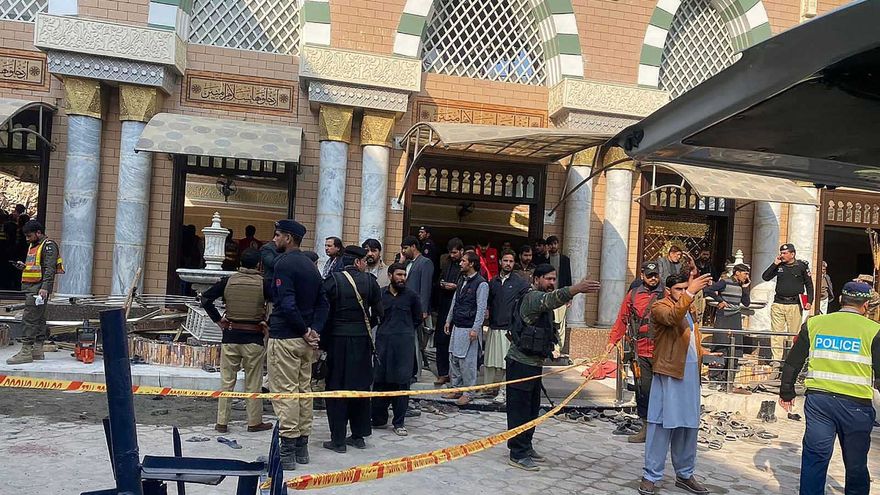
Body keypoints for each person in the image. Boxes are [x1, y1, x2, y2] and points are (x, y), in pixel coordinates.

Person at [779, 281, 880, 495]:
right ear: (866, 305)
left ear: (841, 300)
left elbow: (793, 362)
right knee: (856, 464)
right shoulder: (874, 330)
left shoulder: (815, 324)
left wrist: (786, 392)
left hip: (819, 403)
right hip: (856, 407)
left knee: (815, 458)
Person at [506, 265, 600, 471]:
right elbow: (552, 299)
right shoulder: (533, 297)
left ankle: (526, 445)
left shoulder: (541, 300)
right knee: (519, 410)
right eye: (548, 279)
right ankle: (517, 453)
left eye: (553, 279)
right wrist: (577, 288)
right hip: (520, 364)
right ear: (536, 279)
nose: (551, 283)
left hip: (534, 364)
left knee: (531, 410)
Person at [639, 272, 713, 495]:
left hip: (690, 374)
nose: (682, 292)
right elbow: (672, 318)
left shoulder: (689, 307)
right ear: (668, 290)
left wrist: (703, 351)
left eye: (684, 288)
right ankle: (651, 475)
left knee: (688, 426)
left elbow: (688, 338)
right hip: (669, 373)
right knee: (661, 424)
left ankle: (685, 474)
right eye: (678, 289)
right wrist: (690, 292)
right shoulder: (660, 306)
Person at [267, 219, 329, 470]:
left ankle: (288, 449)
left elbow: (287, 303)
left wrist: (304, 330)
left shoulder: (283, 264)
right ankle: (303, 446)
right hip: (306, 343)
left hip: (285, 337)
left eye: (278, 235)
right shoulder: (311, 266)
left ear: (289, 238)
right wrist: (314, 331)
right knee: (304, 391)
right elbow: (323, 303)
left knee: (286, 393)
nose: (274, 239)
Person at [200, 249, 272, 434]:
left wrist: (218, 320)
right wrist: (268, 322)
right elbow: (280, 303)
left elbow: (205, 299)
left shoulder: (228, 281)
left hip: (230, 336)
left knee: (227, 382)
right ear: (259, 265)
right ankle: (254, 422)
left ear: (240, 263)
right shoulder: (263, 283)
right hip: (253, 337)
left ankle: (222, 422)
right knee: (253, 382)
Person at [321, 245, 383, 453]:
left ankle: (338, 440)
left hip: (337, 342)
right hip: (362, 342)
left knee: (336, 388)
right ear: (358, 262)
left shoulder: (333, 281)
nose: (366, 264)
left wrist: (323, 342)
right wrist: (365, 327)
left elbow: (324, 315)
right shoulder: (370, 282)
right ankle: (358, 436)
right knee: (361, 387)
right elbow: (379, 313)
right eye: (364, 261)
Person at [607, 261, 663, 443]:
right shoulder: (633, 295)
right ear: (642, 275)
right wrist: (613, 340)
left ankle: (661, 430)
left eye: (655, 275)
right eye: (649, 275)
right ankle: (645, 428)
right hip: (640, 350)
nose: (653, 278)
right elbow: (622, 319)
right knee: (642, 390)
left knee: (663, 391)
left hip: (662, 351)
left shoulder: (666, 293)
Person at [372, 263, 421, 436]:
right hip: (383, 344)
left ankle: (399, 422)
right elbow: (374, 316)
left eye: (404, 275)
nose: (402, 278)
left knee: (401, 383)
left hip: (403, 347)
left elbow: (417, 318)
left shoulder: (412, 296)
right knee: (380, 381)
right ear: (390, 275)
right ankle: (378, 419)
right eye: (399, 275)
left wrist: (404, 331)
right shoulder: (380, 294)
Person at [6, 220, 62, 365]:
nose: (27, 239)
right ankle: (37, 349)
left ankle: (26, 351)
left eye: (29, 236)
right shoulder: (34, 245)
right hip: (33, 287)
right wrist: (24, 267)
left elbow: (49, 269)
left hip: (38, 289)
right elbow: (36, 266)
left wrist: (45, 288)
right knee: (39, 318)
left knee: (29, 318)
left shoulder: (48, 246)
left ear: (38, 233)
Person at [443, 251, 488, 406]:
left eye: (463, 261)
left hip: (469, 327)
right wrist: (448, 320)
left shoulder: (481, 284)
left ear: (472, 264)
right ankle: (456, 389)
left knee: (467, 362)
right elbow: (455, 301)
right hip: (457, 325)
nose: (460, 263)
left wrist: (475, 328)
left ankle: (468, 393)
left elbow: (481, 309)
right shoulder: (461, 279)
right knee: (454, 358)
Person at [485, 249, 528, 404]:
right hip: (494, 327)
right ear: (500, 262)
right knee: (491, 362)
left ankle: (503, 391)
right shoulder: (493, 282)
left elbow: (526, 302)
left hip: (508, 330)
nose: (508, 264)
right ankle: (490, 389)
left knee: (505, 363)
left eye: (511, 261)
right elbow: (488, 302)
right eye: (505, 261)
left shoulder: (520, 283)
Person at [703, 264, 752, 393]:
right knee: (720, 346)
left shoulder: (741, 286)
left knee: (735, 348)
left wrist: (745, 289)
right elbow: (708, 290)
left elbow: (746, 303)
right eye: (745, 273)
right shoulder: (725, 282)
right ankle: (714, 378)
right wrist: (720, 300)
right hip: (724, 316)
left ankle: (728, 380)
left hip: (735, 317)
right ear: (737, 273)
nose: (746, 276)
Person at [761, 243, 814, 362]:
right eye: (781, 253)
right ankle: (776, 360)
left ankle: (791, 360)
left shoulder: (801, 266)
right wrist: (775, 264)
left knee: (793, 334)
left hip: (794, 304)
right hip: (778, 303)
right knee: (776, 334)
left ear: (792, 254)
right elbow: (765, 277)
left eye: (785, 253)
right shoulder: (779, 265)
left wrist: (810, 301)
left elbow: (809, 285)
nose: (782, 255)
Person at [401, 235, 433, 372]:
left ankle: (417, 370)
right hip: (405, 308)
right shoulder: (407, 263)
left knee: (417, 341)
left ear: (413, 247)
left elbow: (425, 287)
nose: (403, 251)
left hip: (417, 308)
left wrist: (423, 310)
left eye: (405, 248)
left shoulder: (425, 262)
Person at [435, 237, 463, 385]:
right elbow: (439, 280)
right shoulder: (446, 264)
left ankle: (455, 375)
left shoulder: (465, 266)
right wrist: (442, 284)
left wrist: (456, 287)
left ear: (461, 251)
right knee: (441, 340)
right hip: (444, 306)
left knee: (456, 344)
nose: (452, 256)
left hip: (458, 309)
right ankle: (443, 373)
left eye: (455, 253)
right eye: (450, 253)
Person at [545, 235, 572, 355]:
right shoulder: (544, 260)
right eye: (551, 244)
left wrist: (569, 297)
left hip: (561, 296)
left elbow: (568, 278)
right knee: (548, 322)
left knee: (560, 324)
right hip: (547, 297)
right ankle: (547, 347)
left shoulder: (565, 260)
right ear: (547, 246)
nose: (553, 246)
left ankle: (558, 349)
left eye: (555, 243)